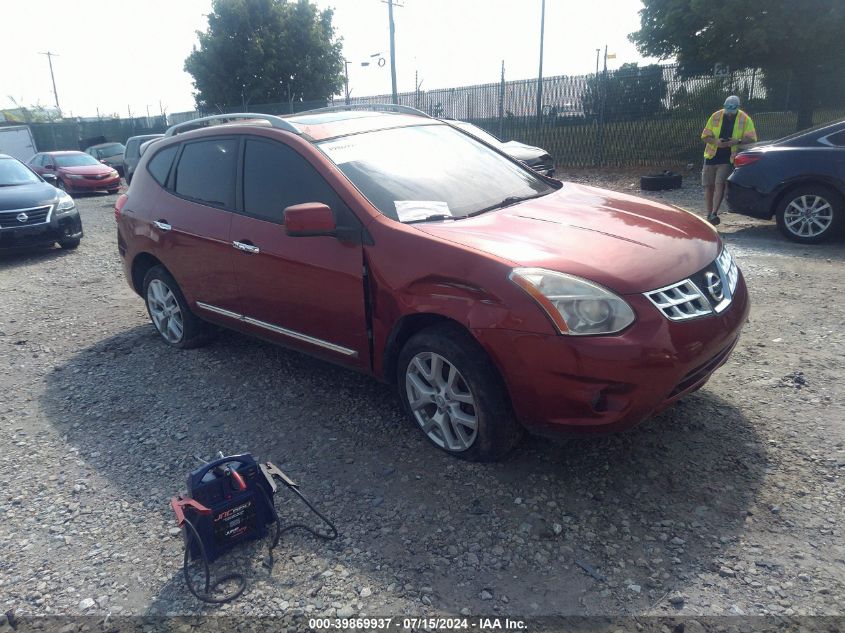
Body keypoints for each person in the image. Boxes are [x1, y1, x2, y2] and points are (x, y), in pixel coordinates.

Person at [700, 95, 757, 225]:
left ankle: (714, 213)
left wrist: (737, 141)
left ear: (737, 107)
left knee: (720, 184)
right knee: (709, 185)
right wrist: (716, 141)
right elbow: (704, 136)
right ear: (724, 106)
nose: (730, 112)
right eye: (727, 108)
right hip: (711, 156)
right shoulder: (716, 116)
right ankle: (709, 213)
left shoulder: (744, 119)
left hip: (728, 157)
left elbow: (752, 138)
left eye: (732, 109)